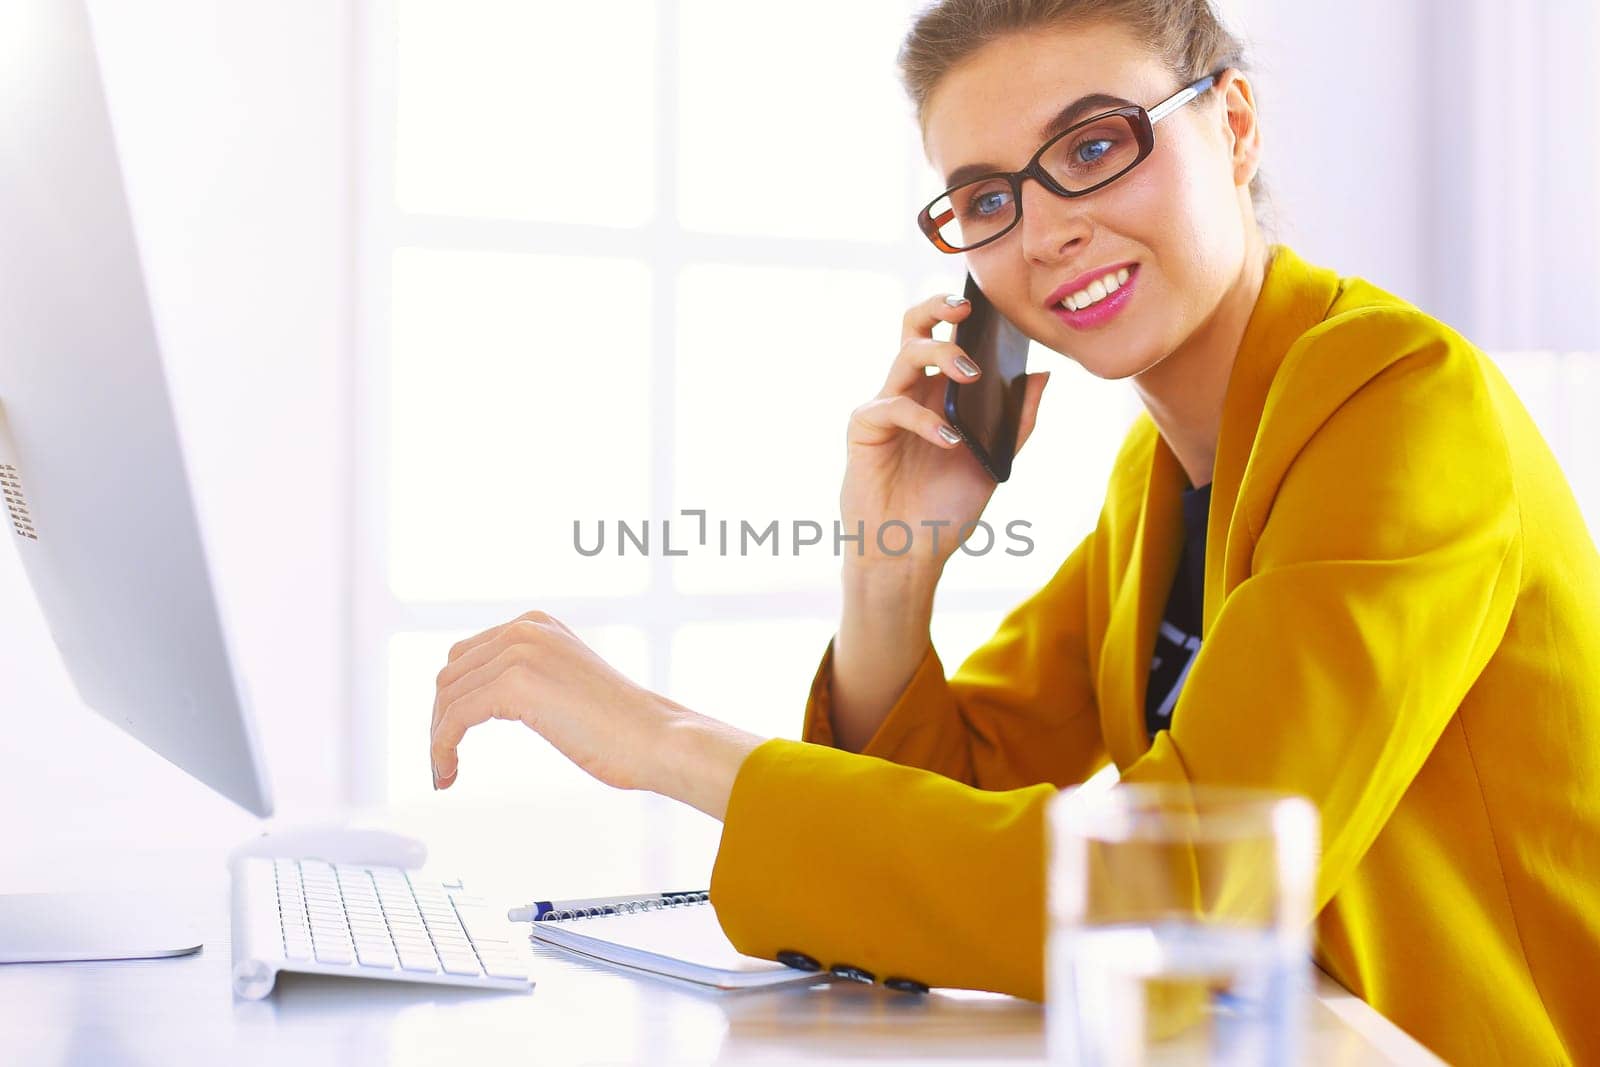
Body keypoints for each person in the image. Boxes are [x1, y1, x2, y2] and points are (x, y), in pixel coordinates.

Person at [426, 1, 1600, 1062]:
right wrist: (891, 570)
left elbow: (1186, 886)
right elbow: (942, 822)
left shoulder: (1399, 401)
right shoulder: (1168, 466)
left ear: (1233, 126)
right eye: (989, 198)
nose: (1045, 232)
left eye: (1094, 147)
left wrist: (664, 738)